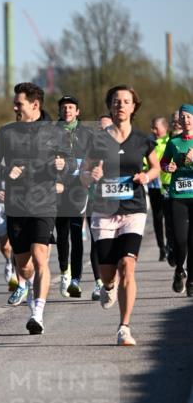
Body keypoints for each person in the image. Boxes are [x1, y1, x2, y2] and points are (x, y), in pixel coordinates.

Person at [0, 82, 69, 335]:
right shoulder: (7, 132)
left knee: (41, 257)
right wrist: (5, 171)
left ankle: (37, 313)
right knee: (24, 266)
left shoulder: (55, 132)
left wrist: (63, 166)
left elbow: (70, 162)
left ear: (35, 105)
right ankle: (30, 286)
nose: (14, 107)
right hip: (16, 204)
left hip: (44, 202)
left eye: (18, 103)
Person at [81, 85, 160, 346]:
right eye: (116, 102)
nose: (121, 106)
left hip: (133, 209)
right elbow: (83, 173)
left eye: (126, 101)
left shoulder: (142, 140)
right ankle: (108, 286)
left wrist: (146, 176)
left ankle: (124, 327)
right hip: (103, 210)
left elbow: (156, 166)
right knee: (108, 271)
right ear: (110, 106)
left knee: (127, 265)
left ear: (133, 107)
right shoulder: (98, 139)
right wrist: (90, 176)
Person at [55, 95, 93, 298]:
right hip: (59, 187)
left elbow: (95, 156)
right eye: (64, 107)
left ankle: (76, 279)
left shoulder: (87, 133)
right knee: (62, 233)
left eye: (71, 107)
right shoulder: (51, 133)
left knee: (76, 233)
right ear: (60, 111)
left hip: (79, 186)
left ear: (77, 111)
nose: (67, 110)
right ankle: (64, 272)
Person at [160, 103, 193, 296]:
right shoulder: (174, 142)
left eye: (189, 117)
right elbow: (164, 162)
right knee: (180, 240)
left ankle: (192, 281)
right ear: (179, 120)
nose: (186, 120)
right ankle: (179, 270)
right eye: (183, 117)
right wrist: (168, 168)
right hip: (178, 196)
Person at [89, 115, 115, 300]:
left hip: (119, 202)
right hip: (95, 200)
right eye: (102, 129)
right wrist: (89, 174)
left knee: (116, 243)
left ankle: (114, 279)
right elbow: (81, 172)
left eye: (108, 128)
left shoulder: (123, 147)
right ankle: (99, 283)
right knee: (96, 242)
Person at [147, 117, 171, 261]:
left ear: (165, 128)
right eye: (152, 127)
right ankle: (161, 247)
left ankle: (169, 245)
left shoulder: (171, 141)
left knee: (169, 217)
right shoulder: (150, 142)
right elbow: (144, 161)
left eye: (156, 127)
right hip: (154, 185)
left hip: (167, 185)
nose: (153, 130)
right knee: (157, 217)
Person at [163, 111, 184, 266]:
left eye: (180, 119)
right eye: (175, 120)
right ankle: (171, 246)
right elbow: (161, 162)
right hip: (167, 187)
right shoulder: (167, 140)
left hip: (186, 190)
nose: (177, 122)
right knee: (169, 222)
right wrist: (166, 166)